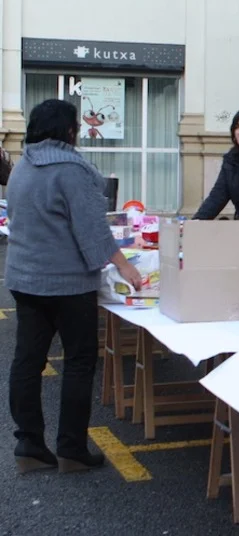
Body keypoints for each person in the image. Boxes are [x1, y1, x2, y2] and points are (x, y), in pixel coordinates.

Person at [7, 99, 143, 474]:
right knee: (79, 362)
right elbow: (93, 230)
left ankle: (28, 445)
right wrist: (125, 267)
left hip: (24, 278)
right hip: (67, 283)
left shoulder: (21, 168)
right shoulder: (72, 169)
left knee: (27, 361)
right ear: (69, 131)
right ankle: (71, 448)